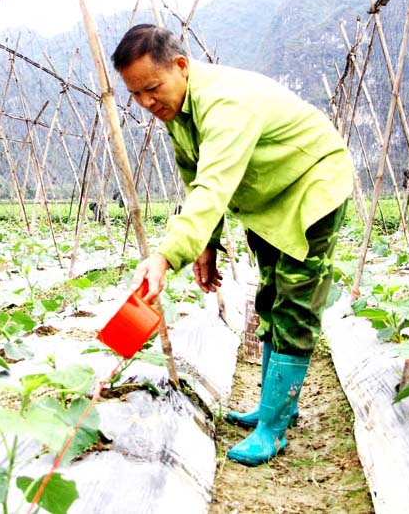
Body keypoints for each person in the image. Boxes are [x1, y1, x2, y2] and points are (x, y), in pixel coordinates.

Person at [111, 24, 353, 466]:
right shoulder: (177, 111)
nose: (146, 103)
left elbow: (213, 183)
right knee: (270, 296)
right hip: (266, 196)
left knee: (296, 302)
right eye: (135, 94)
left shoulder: (225, 103)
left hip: (313, 187)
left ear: (180, 67)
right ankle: (274, 406)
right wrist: (206, 243)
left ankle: (275, 429)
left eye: (151, 88)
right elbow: (194, 174)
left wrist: (166, 256)